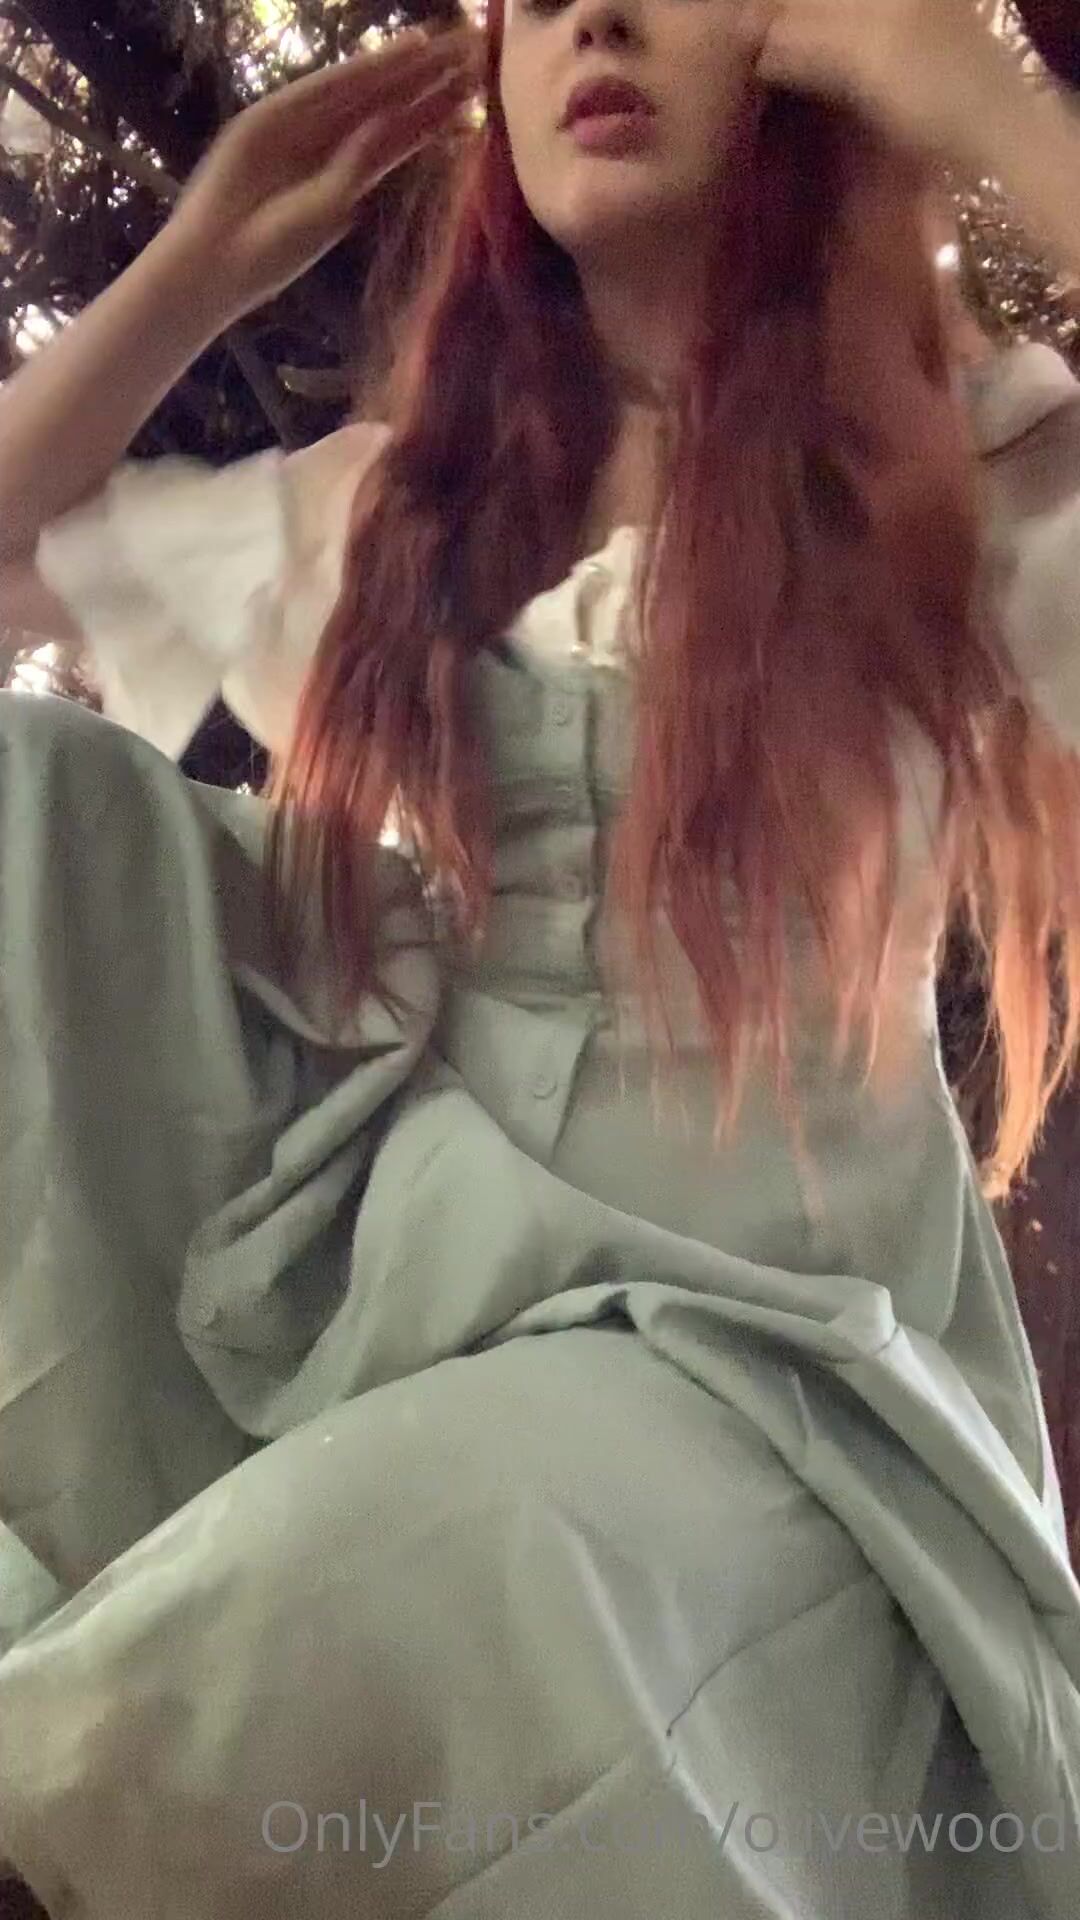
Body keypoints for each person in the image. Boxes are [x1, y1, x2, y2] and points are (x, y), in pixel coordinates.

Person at [3, 1, 1080, 1913]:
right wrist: (200, 263)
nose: (600, 16)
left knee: (432, 1555)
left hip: (769, 1360)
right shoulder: (395, 507)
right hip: (405, 1283)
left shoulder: (965, 467)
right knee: (23, 787)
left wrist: (980, 110)